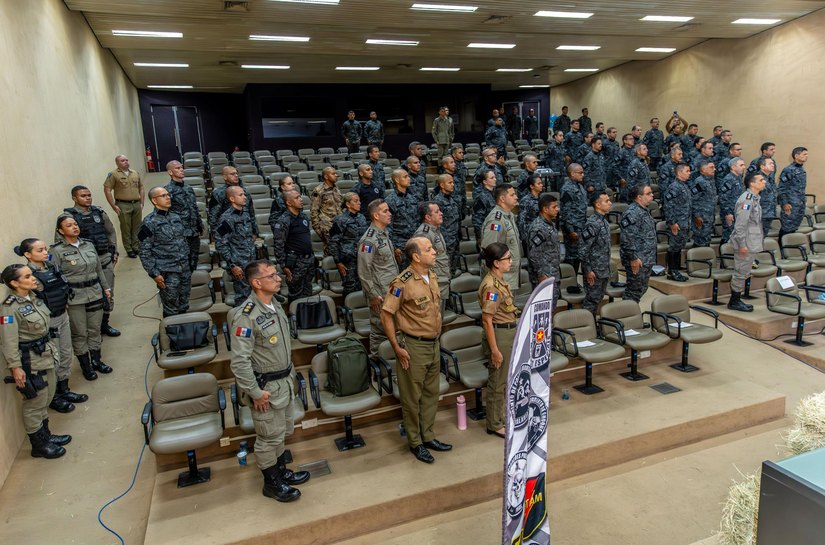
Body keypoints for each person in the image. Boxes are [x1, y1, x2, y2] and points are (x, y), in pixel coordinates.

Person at [229, 260, 310, 501]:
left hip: (284, 382)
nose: (278, 278)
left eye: (277, 274)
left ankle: (281, 472)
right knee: (268, 438)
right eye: (272, 275)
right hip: (266, 389)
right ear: (256, 282)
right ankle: (271, 483)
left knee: (281, 432)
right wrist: (254, 392)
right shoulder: (246, 316)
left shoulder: (275, 305)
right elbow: (239, 362)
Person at [380, 237, 451, 464]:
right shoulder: (402, 282)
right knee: (412, 398)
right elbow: (386, 314)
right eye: (429, 249)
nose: (434, 251)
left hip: (433, 343)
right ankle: (415, 442)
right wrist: (396, 347)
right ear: (416, 256)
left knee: (431, 395)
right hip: (413, 346)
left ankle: (428, 436)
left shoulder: (433, 276)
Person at [1, 264, 71, 459]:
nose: (33, 279)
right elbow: (8, 341)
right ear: (14, 283)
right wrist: (16, 368)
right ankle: (39, 445)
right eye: (27, 276)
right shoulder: (8, 308)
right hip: (29, 361)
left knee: (47, 396)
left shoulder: (34, 298)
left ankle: (46, 435)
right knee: (34, 403)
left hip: (45, 355)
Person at [19, 239, 87, 412]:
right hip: (48, 322)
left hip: (62, 315)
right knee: (53, 360)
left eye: (44, 249)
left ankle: (64, 389)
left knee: (66, 353)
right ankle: (54, 397)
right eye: (40, 250)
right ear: (28, 254)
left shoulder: (51, 267)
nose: (45, 252)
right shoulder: (28, 276)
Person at [50, 214, 112, 380]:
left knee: (95, 329)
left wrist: (106, 288)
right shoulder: (56, 251)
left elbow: (98, 270)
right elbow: (54, 278)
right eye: (69, 225)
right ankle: (86, 366)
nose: (74, 227)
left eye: (75, 224)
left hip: (94, 292)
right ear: (60, 231)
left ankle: (97, 361)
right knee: (80, 333)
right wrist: (60, 300)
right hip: (74, 298)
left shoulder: (88, 244)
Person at [64, 185, 120, 337]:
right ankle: (90, 328)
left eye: (89, 195)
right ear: (74, 198)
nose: (88, 198)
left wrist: (113, 251)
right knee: (89, 297)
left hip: (104, 258)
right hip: (84, 265)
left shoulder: (99, 212)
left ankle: (104, 324)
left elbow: (111, 231)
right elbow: (63, 244)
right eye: (83, 195)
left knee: (108, 292)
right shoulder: (68, 217)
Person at [478, 242, 518, 438]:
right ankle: (494, 423)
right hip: (499, 335)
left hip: (508, 332)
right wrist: (494, 349)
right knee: (498, 381)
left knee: (504, 379)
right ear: (496, 263)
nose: (511, 261)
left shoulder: (500, 281)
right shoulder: (491, 286)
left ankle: (500, 417)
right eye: (507, 259)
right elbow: (487, 320)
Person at [138, 187, 191, 317]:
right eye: (163, 196)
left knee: (184, 304)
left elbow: (183, 241)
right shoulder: (149, 222)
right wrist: (154, 273)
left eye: (168, 194)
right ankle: (173, 335)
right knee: (171, 308)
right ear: (154, 201)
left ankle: (185, 334)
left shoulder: (176, 217)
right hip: (167, 272)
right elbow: (144, 250)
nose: (168, 197)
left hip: (183, 269)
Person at [357, 199, 398, 360]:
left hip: (391, 289)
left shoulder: (384, 233)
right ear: (375, 215)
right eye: (385, 211)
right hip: (379, 293)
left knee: (392, 328)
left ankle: (392, 363)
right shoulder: (368, 240)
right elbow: (363, 270)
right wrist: (372, 294)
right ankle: (377, 364)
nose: (389, 214)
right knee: (380, 329)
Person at [728, 172, 767, 312]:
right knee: (740, 271)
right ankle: (734, 301)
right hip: (745, 243)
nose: (765, 182)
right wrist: (742, 244)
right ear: (752, 183)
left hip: (751, 241)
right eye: (761, 180)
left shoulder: (755, 198)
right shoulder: (747, 199)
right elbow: (740, 225)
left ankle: (737, 299)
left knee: (744, 271)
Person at [215, 186, 258, 306]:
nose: (244, 197)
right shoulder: (226, 218)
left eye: (244, 194)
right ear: (232, 198)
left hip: (250, 261)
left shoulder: (245, 213)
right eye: (240, 195)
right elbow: (221, 244)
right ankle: (242, 322)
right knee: (243, 297)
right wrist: (232, 265)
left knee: (254, 294)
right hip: (238, 263)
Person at [272, 190, 315, 302]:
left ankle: (307, 317)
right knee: (296, 294)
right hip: (296, 263)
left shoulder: (304, 216)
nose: (301, 199)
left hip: (308, 260)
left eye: (300, 196)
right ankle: (295, 317)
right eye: (297, 198)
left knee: (308, 291)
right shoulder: (283, 221)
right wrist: (283, 265)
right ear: (289, 203)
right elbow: (278, 245)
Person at [619, 184, 657, 303]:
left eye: (651, 193)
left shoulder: (644, 211)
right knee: (633, 291)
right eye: (648, 193)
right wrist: (633, 258)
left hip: (646, 257)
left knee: (641, 288)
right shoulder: (632, 213)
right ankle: (627, 317)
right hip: (637, 259)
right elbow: (627, 239)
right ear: (639, 197)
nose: (652, 195)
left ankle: (631, 315)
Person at [164, 160, 203, 272]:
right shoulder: (167, 190)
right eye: (177, 168)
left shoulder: (188, 188)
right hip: (180, 233)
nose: (181, 170)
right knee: (182, 264)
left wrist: (199, 225)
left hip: (193, 232)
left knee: (193, 262)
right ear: (170, 172)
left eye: (181, 167)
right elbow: (165, 213)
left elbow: (194, 208)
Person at [481, 184, 521, 290]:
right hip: (500, 279)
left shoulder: (509, 216)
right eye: (512, 195)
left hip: (509, 276)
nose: (516, 197)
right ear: (502, 199)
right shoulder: (496, 220)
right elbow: (489, 249)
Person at [103, 154, 144, 258]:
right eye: (122, 160)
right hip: (123, 204)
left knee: (137, 226)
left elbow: (141, 187)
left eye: (126, 160)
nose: (126, 162)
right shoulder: (113, 174)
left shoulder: (134, 173)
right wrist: (113, 205)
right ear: (117, 163)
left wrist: (142, 202)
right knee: (126, 227)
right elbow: (107, 190)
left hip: (136, 203)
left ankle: (136, 247)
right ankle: (129, 249)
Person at [328, 192, 369, 297]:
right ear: (348, 204)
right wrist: (338, 262)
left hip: (362, 258)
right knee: (350, 287)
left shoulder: (362, 217)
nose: (359, 203)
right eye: (356, 201)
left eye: (359, 200)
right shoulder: (340, 220)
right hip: (348, 260)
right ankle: (348, 310)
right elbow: (333, 242)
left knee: (363, 285)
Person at [580, 192, 613, 313]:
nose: (610, 203)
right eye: (606, 201)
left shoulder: (603, 221)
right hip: (594, 270)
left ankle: (593, 326)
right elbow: (583, 249)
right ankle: (588, 325)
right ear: (598, 205)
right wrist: (588, 270)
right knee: (591, 300)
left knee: (598, 298)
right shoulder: (592, 223)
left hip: (603, 268)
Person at [413, 202, 451, 310]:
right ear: (428, 217)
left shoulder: (435, 230)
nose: (441, 213)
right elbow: (421, 262)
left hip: (441, 279)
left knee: (439, 318)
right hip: (433, 282)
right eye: (437, 212)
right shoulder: (423, 234)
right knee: (433, 318)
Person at [526, 194, 560, 302]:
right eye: (554, 207)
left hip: (552, 272)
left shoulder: (550, 224)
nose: (557, 209)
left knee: (551, 307)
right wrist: (541, 275)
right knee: (543, 309)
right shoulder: (538, 227)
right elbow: (534, 254)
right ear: (545, 209)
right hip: (544, 276)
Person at [208, 166, 256, 237]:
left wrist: (254, 232)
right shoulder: (218, 193)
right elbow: (213, 216)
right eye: (232, 174)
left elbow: (251, 213)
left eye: (236, 173)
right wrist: (216, 234)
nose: (236, 176)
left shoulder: (245, 192)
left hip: (246, 231)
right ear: (225, 177)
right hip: (227, 231)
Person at [663, 164, 692, 282]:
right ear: (679, 173)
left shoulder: (684, 186)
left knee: (679, 246)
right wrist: (672, 223)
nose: (689, 173)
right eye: (687, 171)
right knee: (674, 247)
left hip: (684, 222)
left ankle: (676, 270)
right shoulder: (674, 187)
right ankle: (671, 271)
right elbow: (668, 206)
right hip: (677, 223)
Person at [385, 169, 419, 266]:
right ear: (397, 180)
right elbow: (388, 226)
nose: (409, 179)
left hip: (414, 241)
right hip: (400, 244)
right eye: (405, 177)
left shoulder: (412, 198)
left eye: (408, 176)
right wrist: (395, 247)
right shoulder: (390, 200)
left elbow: (417, 221)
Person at [559, 163, 587, 276]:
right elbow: (565, 212)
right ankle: (569, 281)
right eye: (580, 173)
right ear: (572, 173)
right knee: (571, 256)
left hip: (581, 224)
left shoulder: (579, 186)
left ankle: (574, 281)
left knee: (578, 255)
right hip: (573, 227)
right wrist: (570, 230)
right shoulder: (567, 189)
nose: (583, 175)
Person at [432, 173, 463, 275]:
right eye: (450, 182)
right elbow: (435, 222)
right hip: (445, 238)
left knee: (453, 265)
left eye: (453, 182)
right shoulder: (437, 201)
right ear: (442, 185)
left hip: (454, 237)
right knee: (445, 267)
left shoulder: (452, 198)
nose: (452, 184)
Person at [778, 147, 809, 241]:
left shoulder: (801, 169)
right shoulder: (789, 170)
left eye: (807, 154)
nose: (807, 156)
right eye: (804, 154)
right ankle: (782, 248)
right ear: (796, 156)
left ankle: (790, 248)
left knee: (794, 227)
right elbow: (782, 188)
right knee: (787, 227)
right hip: (790, 204)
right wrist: (785, 203)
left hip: (799, 204)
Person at [310, 167, 343, 252]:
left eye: (336, 173)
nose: (336, 175)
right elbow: (314, 211)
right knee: (330, 251)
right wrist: (317, 228)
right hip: (327, 226)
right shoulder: (318, 190)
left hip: (339, 224)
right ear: (326, 176)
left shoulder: (336, 188)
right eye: (333, 174)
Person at [689, 161, 718, 247]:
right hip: (701, 216)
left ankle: (705, 258)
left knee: (706, 239)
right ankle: (695, 259)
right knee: (700, 240)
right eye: (711, 167)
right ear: (703, 170)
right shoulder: (699, 182)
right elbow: (693, 199)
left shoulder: (711, 180)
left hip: (709, 215)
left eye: (714, 167)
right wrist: (697, 216)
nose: (714, 169)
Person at [718, 158, 746, 243]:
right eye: (741, 165)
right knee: (729, 236)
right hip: (731, 213)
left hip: (739, 212)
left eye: (744, 165)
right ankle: (725, 254)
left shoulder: (738, 179)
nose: (744, 167)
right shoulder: (728, 179)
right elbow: (723, 197)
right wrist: (728, 213)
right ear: (733, 167)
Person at [755, 157, 777, 236]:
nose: (773, 165)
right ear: (762, 166)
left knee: (762, 238)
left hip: (768, 213)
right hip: (760, 214)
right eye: (770, 163)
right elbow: (751, 197)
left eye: (773, 163)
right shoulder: (757, 179)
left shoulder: (770, 178)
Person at [517, 172, 543, 240]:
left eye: (541, 183)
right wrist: (524, 239)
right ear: (531, 186)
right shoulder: (526, 200)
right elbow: (521, 221)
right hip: (531, 234)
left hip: (541, 231)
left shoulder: (541, 198)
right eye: (539, 183)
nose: (541, 185)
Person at [612, 133, 635, 202]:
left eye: (633, 139)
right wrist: (620, 178)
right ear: (625, 141)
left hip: (633, 180)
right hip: (625, 180)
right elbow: (614, 166)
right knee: (625, 200)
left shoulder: (634, 151)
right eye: (630, 139)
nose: (632, 140)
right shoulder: (621, 152)